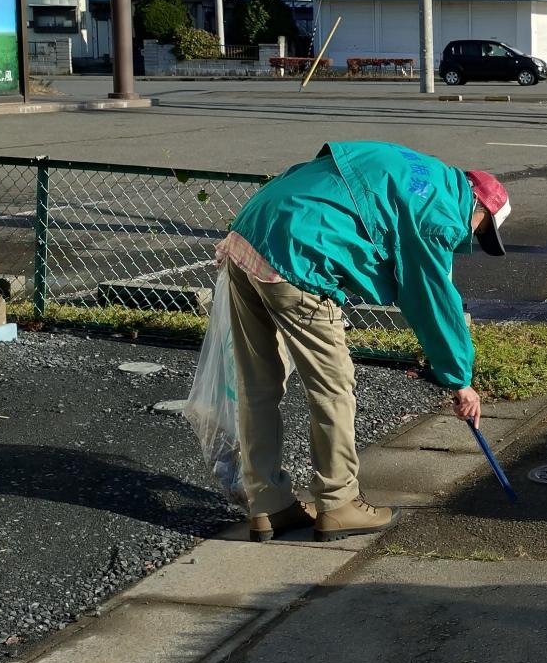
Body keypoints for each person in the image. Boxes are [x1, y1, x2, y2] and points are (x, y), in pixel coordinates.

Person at [216, 142, 511, 541]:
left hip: (250, 233)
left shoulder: (419, 171)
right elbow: (431, 299)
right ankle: (339, 505)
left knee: (258, 385)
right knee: (333, 389)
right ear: (478, 206)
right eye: (481, 229)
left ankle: (267, 505)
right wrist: (459, 379)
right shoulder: (441, 212)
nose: (471, 238)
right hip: (299, 255)